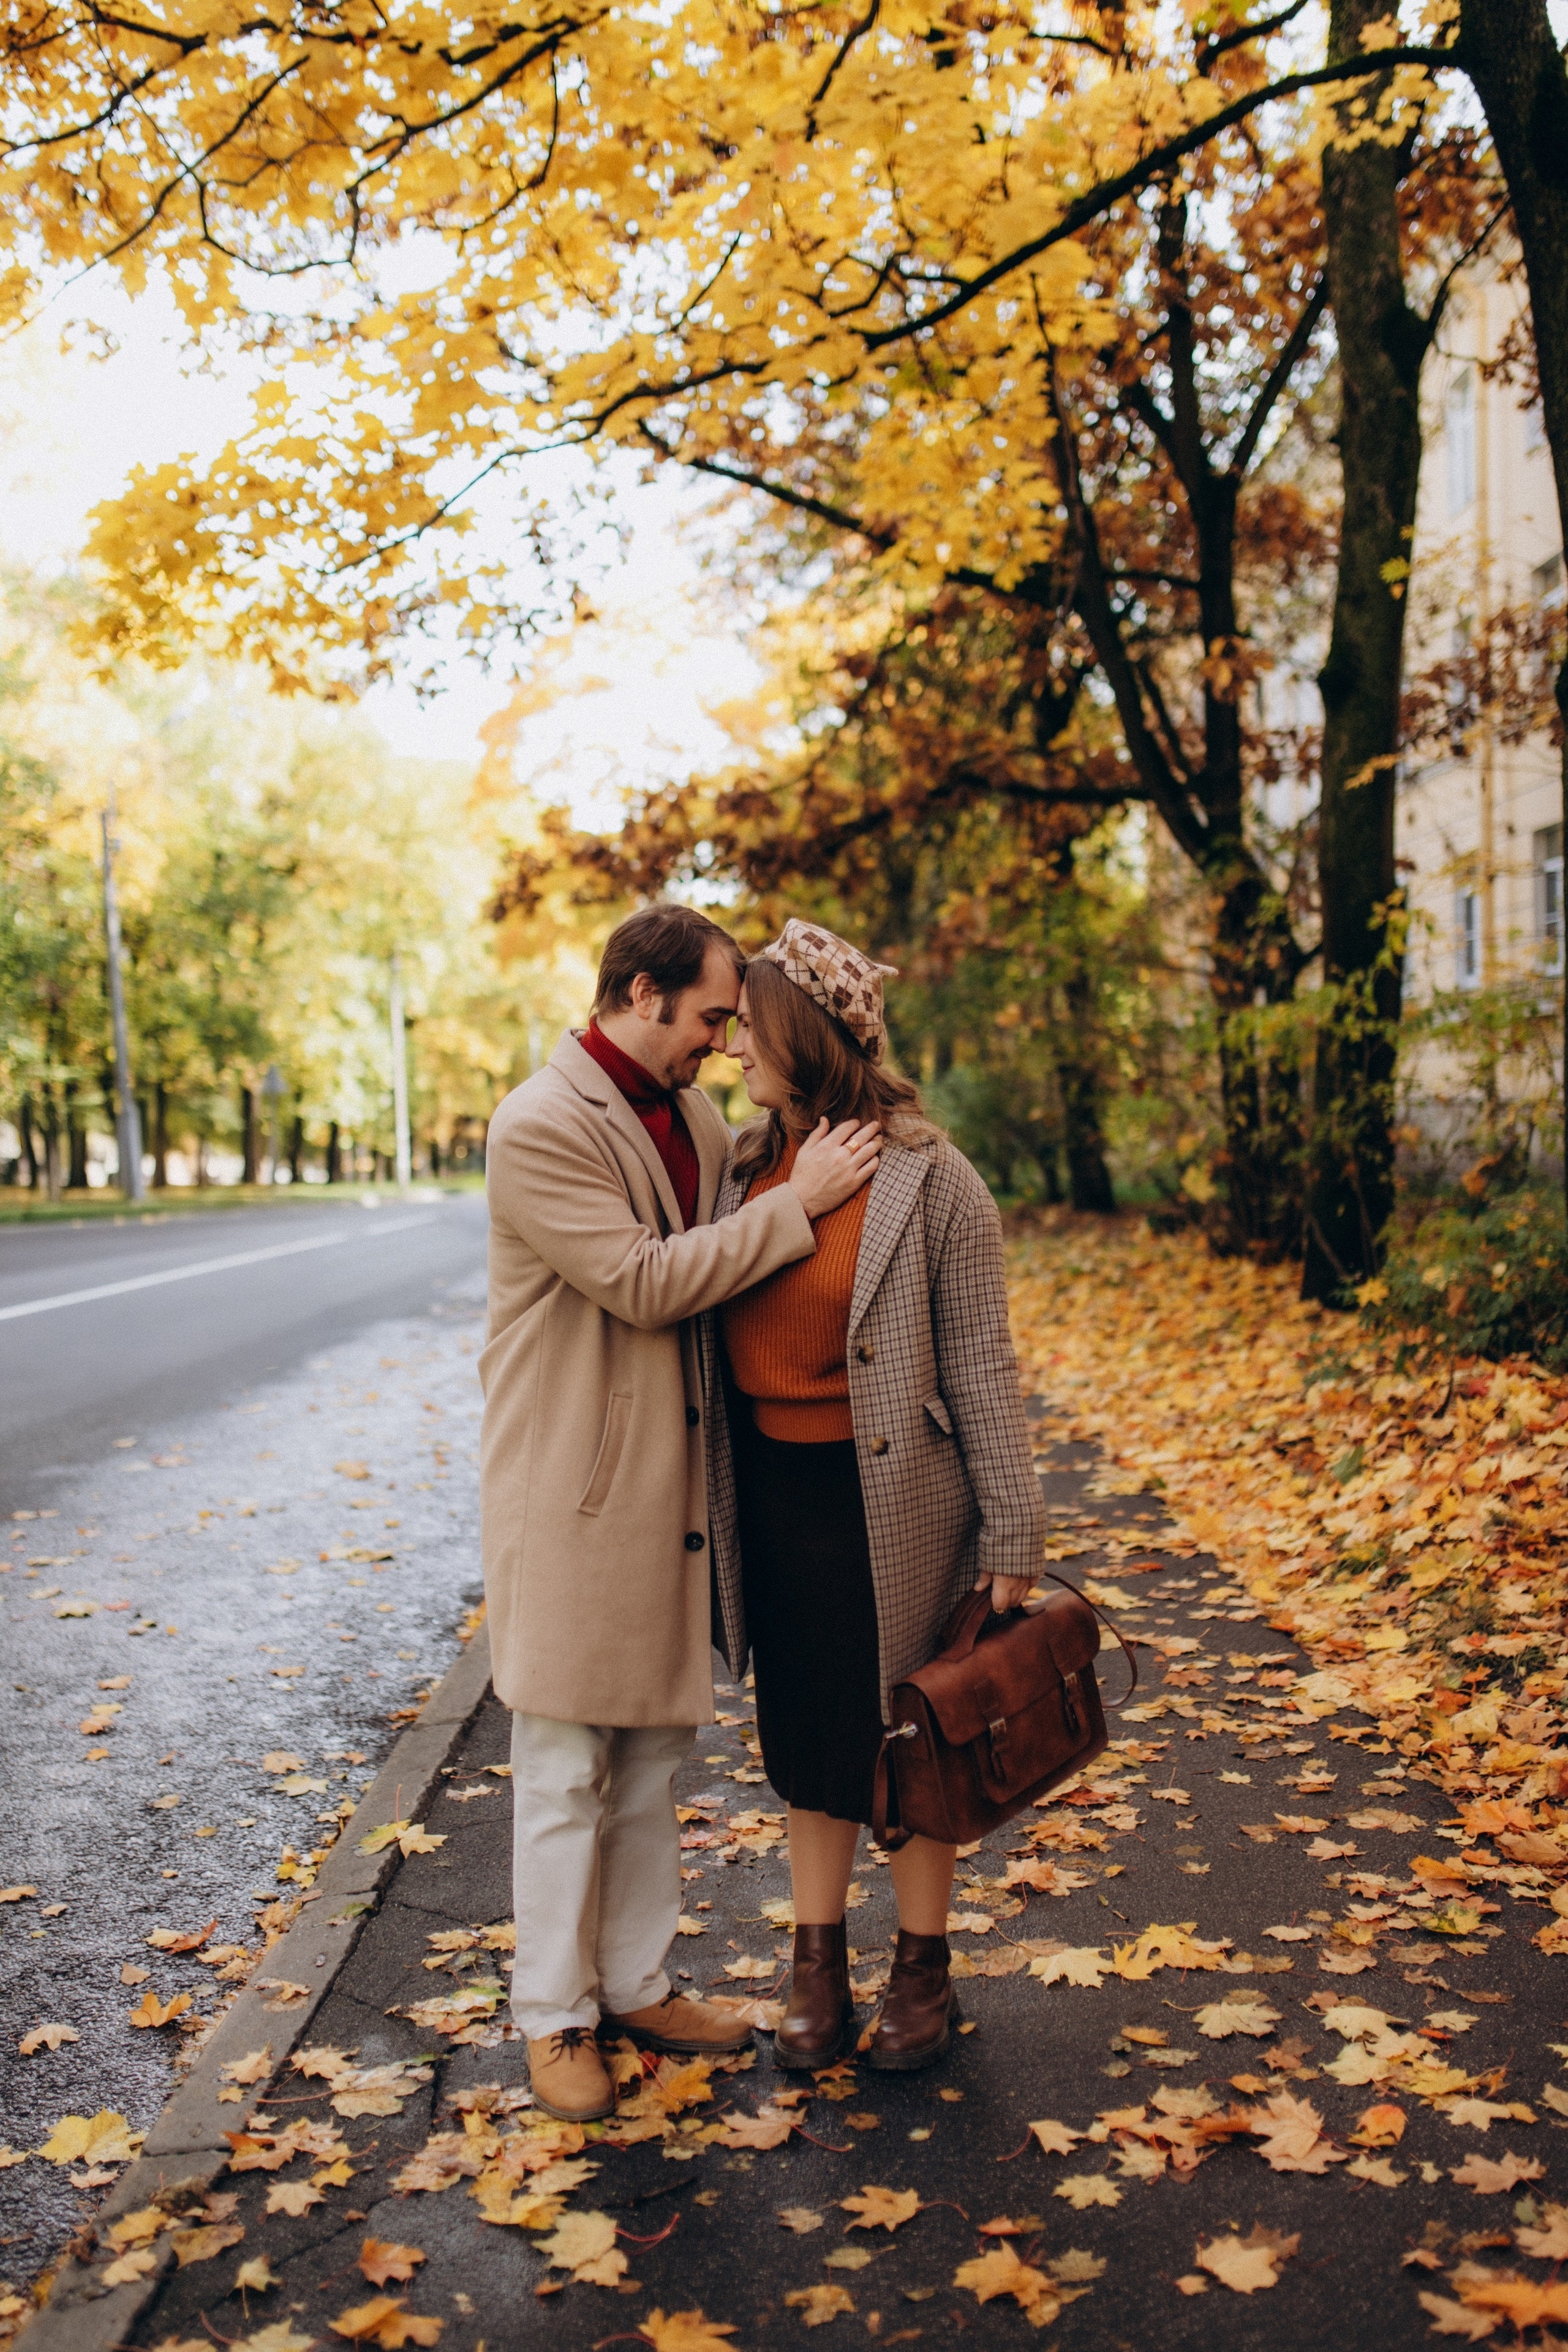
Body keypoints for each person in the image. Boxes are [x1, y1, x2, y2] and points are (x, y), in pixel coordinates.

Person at [480, 903, 880, 2122]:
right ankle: (552, 2016)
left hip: (675, 1483)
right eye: (710, 1015)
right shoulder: (538, 1124)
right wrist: (798, 1204)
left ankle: (635, 1984)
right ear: (643, 995)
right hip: (572, 1485)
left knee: (654, 1756)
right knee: (562, 1762)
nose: (720, 1041)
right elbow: (649, 1284)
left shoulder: (696, 1116)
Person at [705, 920, 1045, 2071]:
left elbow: (984, 1364)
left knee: (909, 1743)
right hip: (776, 1495)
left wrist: (1015, 1526)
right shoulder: (742, 1169)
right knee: (806, 1740)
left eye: (752, 1018)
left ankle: (922, 1972)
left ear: (809, 1028)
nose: (736, 1039)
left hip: (901, 1507)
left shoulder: (931, 1175)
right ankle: (815, 1970)